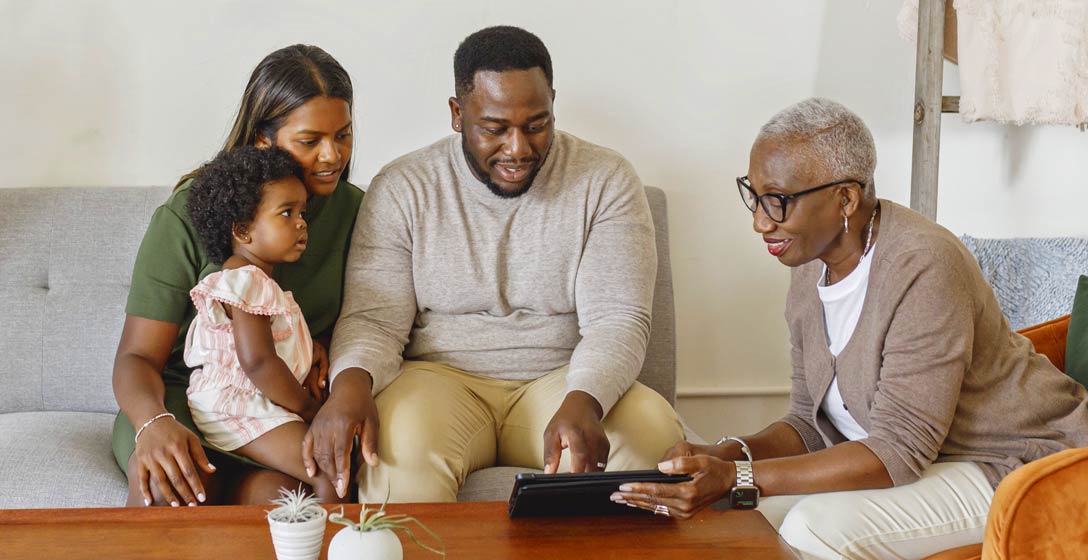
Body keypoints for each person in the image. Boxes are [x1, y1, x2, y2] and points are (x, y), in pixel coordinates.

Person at [611, 98, 1088, 560]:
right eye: (755, 194)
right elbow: (808, 422)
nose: (760, 221)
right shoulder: (808, 268)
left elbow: (898, 450)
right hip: (935, 464)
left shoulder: (923, 265)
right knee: (749, 524)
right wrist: (724, 455)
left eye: (779, 201)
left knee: (817, 531)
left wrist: (741, 479)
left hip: (1020, 464)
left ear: (846, 198)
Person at [305, 25, 683, 503]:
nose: (518, 148)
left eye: (536, 124)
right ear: (458, 114)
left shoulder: (605, 179)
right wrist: (350, 386)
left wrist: (585, 398)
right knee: (397, 460)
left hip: (563, 380)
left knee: (649, 439)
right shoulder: (404, 186)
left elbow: (618, 319)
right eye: (495, 128)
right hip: (439, 381)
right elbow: (374, 319)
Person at [112, 44, 363, 508]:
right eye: (310, 141)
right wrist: (154, 423)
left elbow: (370, 319)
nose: (332, 156)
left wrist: (320, 346)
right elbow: (136, 357)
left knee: (290, 502)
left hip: (275, 408)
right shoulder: (193, 210)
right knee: (175, 490)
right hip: (183, 399)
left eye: (343, 135)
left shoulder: (357, 211)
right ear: (264, 139)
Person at [182, 146, 344, 505]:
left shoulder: (251, 280)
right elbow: (258, 361)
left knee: (311, 475)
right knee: (330, 468)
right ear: (242, 230)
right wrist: (307, 409)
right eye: (286, 213)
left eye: (303, 213)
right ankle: (340, 547)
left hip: (251, 402)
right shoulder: (247, 281)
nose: (301, 223)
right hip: (238, 405)